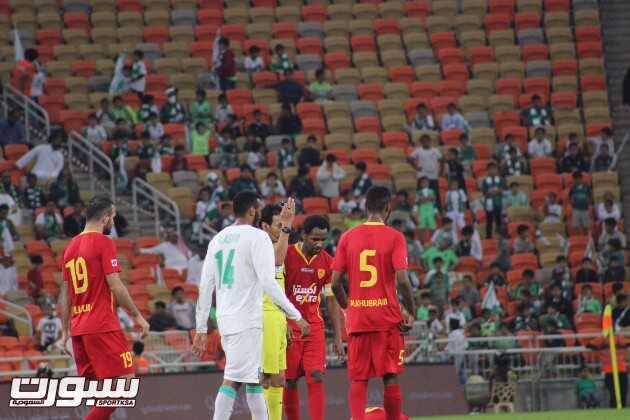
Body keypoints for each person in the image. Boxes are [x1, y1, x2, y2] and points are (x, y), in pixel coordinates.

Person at [192, 191, 309, 420]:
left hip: (226, 320)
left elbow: (205, 285)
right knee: (233, 380)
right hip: (247, 320)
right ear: (253, 210)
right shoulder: (258, 237)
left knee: (253, 381)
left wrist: (201, 329)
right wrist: (295, 315)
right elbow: (269, 281)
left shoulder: (217, 239)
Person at [60, 195, 149, 420]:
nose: (114, 223)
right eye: (114, 218)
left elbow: (65, 294)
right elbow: (116, 284)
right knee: (122, 387)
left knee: (101, 396)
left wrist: (64, 331)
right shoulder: (104, 242)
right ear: (106, 217)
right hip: (101, 325)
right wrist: (137, 316)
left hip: (79, 330)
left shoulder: (69, 248)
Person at [331, 186, 415, 420]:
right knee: (390, 376)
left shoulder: (347, 237)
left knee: (359, 378)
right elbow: (403, 280)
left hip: (359, 319)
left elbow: (335, 283)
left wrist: (349, 309)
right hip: (387, 319)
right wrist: (411, 310)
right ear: (388, 208)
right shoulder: (395, 237)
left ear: (365, 208)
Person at [590, 335, 629, 408]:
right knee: (614, 392)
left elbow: (627, 343)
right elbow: (590, 345)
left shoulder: (618, 337)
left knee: (622, 392)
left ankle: (621, 408)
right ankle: (615, 408)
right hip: (610, 370)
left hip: (620, 369)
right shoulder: (602, 338)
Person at [482, 162, 506, 238]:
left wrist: (493, 191)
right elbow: (485, 192)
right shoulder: (485, 180)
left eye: (494, 169)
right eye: (491, 169)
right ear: (488, 171)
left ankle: (501, 236)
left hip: (499, 202)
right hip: (489, 203)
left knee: (499, 221)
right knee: (489, 221)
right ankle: (488, 237)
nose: (492, 171)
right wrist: (495, 190)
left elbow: (502, 189)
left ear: (497, 170)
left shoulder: (501, 179)